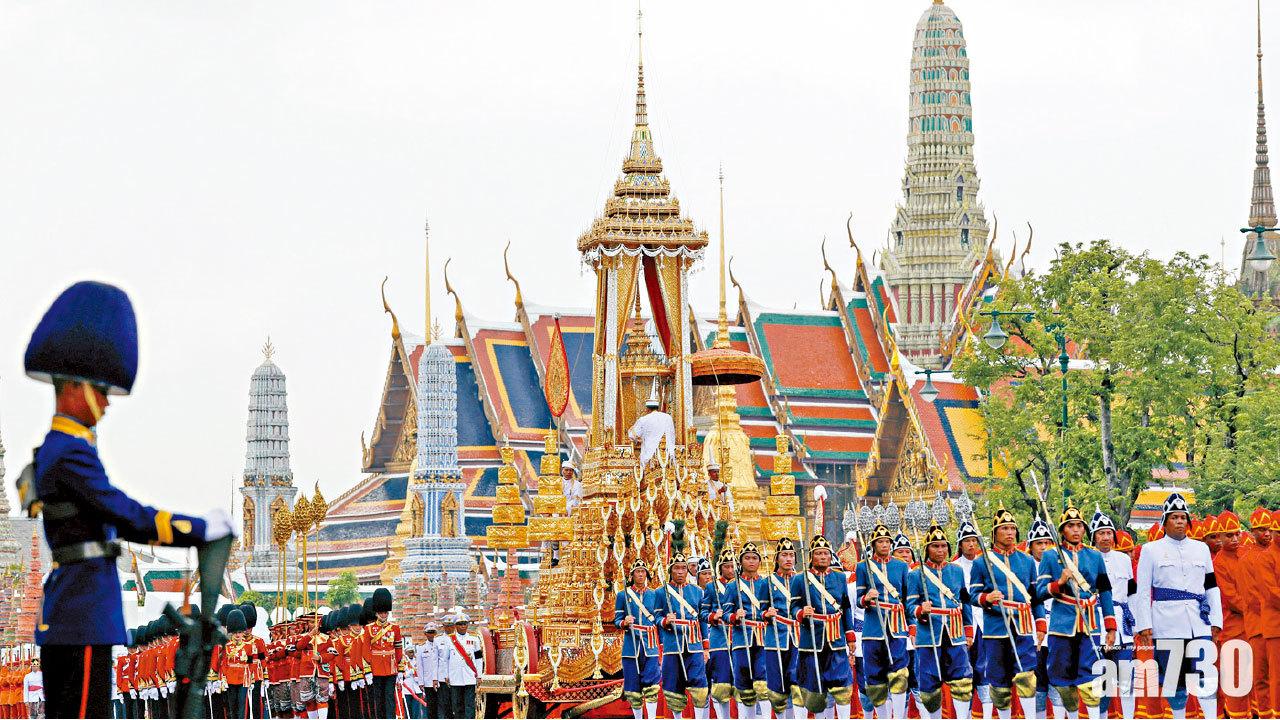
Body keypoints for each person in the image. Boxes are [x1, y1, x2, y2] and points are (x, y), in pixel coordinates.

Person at [19, 281, 235, 719]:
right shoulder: (69, 451)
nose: (107, 402)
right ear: (75, 388)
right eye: (101, 391)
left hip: (79, 612)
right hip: (80, 614)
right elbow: (123, 513)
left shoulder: (63, 449)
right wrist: (198, 529)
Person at [1132, 492, 1223, 720]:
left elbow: (1211, 586)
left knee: (1205, 674)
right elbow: (1143, 591)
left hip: (1199, 621)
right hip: (1166, 623)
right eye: (1174, 517)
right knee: (1174, 679)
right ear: (1165, 521)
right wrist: (1144, 624)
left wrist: (1216, 620)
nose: (1180, 521)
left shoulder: (1201, 549)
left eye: (1183, 517)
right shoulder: (1150, 550)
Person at [1037, 501, 1116, 720]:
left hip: (1090, 621)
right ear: (1062, 530)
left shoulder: (1094, 556)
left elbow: (1105, 590)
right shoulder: (1051, 556)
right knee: (1062, 678)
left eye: (1079, 526)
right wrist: (1060, 582)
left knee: (1091, 676)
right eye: (1070, 526)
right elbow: (1040, 592)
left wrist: (1110, 625)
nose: (1075, 530)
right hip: (1062, 623)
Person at [968, 507, 1045, 720]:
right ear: (995, 533)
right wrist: (987, 598)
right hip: (995, 627)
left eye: (1012, 528)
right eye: (1004, 528)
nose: (1010, 533)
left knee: (1027, 676)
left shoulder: (1027, 561)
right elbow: (973, 595)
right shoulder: (982, 562)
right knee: (999, 680)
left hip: (1022, 625)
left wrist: (1040, 624)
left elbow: (1035, 596)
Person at [907, 524, 974, 720]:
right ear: (927, 548)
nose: (940, 550)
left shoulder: (956, 571)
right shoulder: (915, 575)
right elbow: (910, 606)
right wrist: (920, 610)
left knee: (962, 679)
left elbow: (965, 602)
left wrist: (968, 631)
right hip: (929, 633)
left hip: (955, 632)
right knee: (929, 683)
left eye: (944, 546)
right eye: (935, 546)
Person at [792, 534, 856, 720]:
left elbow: (846, 607)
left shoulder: (839, 577)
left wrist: (850, 636)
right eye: (818, 553)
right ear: (811, 556)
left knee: (842, 685)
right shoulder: (800, 579)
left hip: (835, 638)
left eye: (826, 553)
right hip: (812, 639)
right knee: (816, 686)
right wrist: (802, 612)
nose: (823, 557)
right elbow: (793, 607)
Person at [855, 523, 912, 718]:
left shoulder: (901, 566)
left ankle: (898, 715)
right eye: (881, 541)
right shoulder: (863, 567)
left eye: (888, 541)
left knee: (900, 673)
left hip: (896, 624)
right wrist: (866, 598)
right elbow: (858, 600)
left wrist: (911, 627)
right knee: (875, 676)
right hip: (873, 626)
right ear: (873, 544)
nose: (885, 545)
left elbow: (907, 598)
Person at [1090, 507, 1136, 719]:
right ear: (1093, 537)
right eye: (1101, 533)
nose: (1106, 537)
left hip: (1123, 626)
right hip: (1097, 624)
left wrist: (1136, 624)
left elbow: (1132, 593)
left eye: (1109, 533)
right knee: (1102, 677)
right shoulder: (1086, 558)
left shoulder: (1124, 559)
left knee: (1127, 677)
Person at [654, 551, 710, 719]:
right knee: (672, 685)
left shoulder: (698, 592)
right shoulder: (660, 592)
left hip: (694, 644)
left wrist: (706, 647)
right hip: (672, 644)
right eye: (676, 568)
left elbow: (703, 621)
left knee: (699, 684)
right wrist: (664, 620)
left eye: (683, 568)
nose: (680, 572)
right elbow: (656, 618)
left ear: (688, 571)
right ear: (671, 570)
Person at [722, 542, 770, 719]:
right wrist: (734, 616)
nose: (751, 561)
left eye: (754, 558)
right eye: (747, 558)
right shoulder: (733, 586)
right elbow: (725, 614)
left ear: (759, 562)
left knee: (763, 680)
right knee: (743, 680)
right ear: (741, 561)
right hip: (742, 637)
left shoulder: (766, 583)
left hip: (763, 637)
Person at [951, 519, 991, 720]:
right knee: (963, 672)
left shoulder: (986, 564)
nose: (971, 544)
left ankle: (986, 714)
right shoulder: (953, 568)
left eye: (974, 540)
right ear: (960, 544)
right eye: (967, 540)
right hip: (961, 625)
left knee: (985, 669)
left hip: (984, 622)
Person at [1215, 510, 1250, 719]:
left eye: (1237, 533)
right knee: (1237, 679)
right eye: (1229, 535)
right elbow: (1232, 599)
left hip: (1255, 626)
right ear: (1219, 537)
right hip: (1233, 629)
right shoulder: (1219, 562)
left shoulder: (1247, 553)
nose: (1235, 539)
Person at [616, 560, 662, 720]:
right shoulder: (623, 595)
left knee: (652, 684)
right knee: (633, 686)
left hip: (650, 644)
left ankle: (651, 717)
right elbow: (617, 620)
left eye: (643, 571)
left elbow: (658, 619)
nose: (641, 574)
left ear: (647, 575)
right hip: (631, 645)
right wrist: (624, 622)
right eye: (637, 572)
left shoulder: (654, 594)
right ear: (632, 575)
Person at [762, 538, 799, 718]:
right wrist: (766, 614)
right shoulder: (767, 582)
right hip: (776, 638)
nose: (788, 559)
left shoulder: (801, 580)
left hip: (799, 638)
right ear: (777, 558)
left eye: (791, 555)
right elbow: (760, 610)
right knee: (777, 686)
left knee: (798, 683)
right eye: (784, 555)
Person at [700, 550, 737, 719]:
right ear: (720, 568)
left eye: (733, 566)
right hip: (719, 638)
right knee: (720, 682)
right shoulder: (711, 587)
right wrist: (713, 617)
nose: (730, 569)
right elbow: (703, 613)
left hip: (738, 637)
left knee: (741, 682)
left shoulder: (741, 585)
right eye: (727, 566)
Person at [362, 588, 402, 718]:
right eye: (381, 612)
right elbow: (366, 651)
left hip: (390, 668)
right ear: (376, 612)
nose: (383, 615)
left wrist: (400, 669)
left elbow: (398, 649)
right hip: (376, 668)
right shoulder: (369, 629)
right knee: (378, 699)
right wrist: (367, 670)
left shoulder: (395, 628)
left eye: (385, 612)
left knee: (390, 698)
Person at [440, 614, 483, 720]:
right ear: (455, 625)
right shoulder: (449, 640)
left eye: (465, 624)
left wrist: (479, 675)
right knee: (457, 705)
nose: (463, 626)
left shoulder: (474, 639)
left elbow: (478, 658)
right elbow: (445, 660)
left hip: (470, 676)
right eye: (460, 624)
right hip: (455, 678)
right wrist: (446, 675)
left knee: (470, 705)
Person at [627, 387, 676, 466]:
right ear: (657, 407)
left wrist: (632, 431)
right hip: (668, 454)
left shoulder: (644, 419)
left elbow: (632, 435)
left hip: (650, 455)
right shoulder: (668, 417)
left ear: (647, 409)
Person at [416, 623, 442, 719]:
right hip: (428, 682)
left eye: (433, 632)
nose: (432, 635)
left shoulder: (442, 645)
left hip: (441, 681)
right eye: (429, 632)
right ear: (425, 634)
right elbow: (420, 666)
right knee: (431, 706)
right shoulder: (421, 648)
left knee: (443, 705)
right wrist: (421, 682)